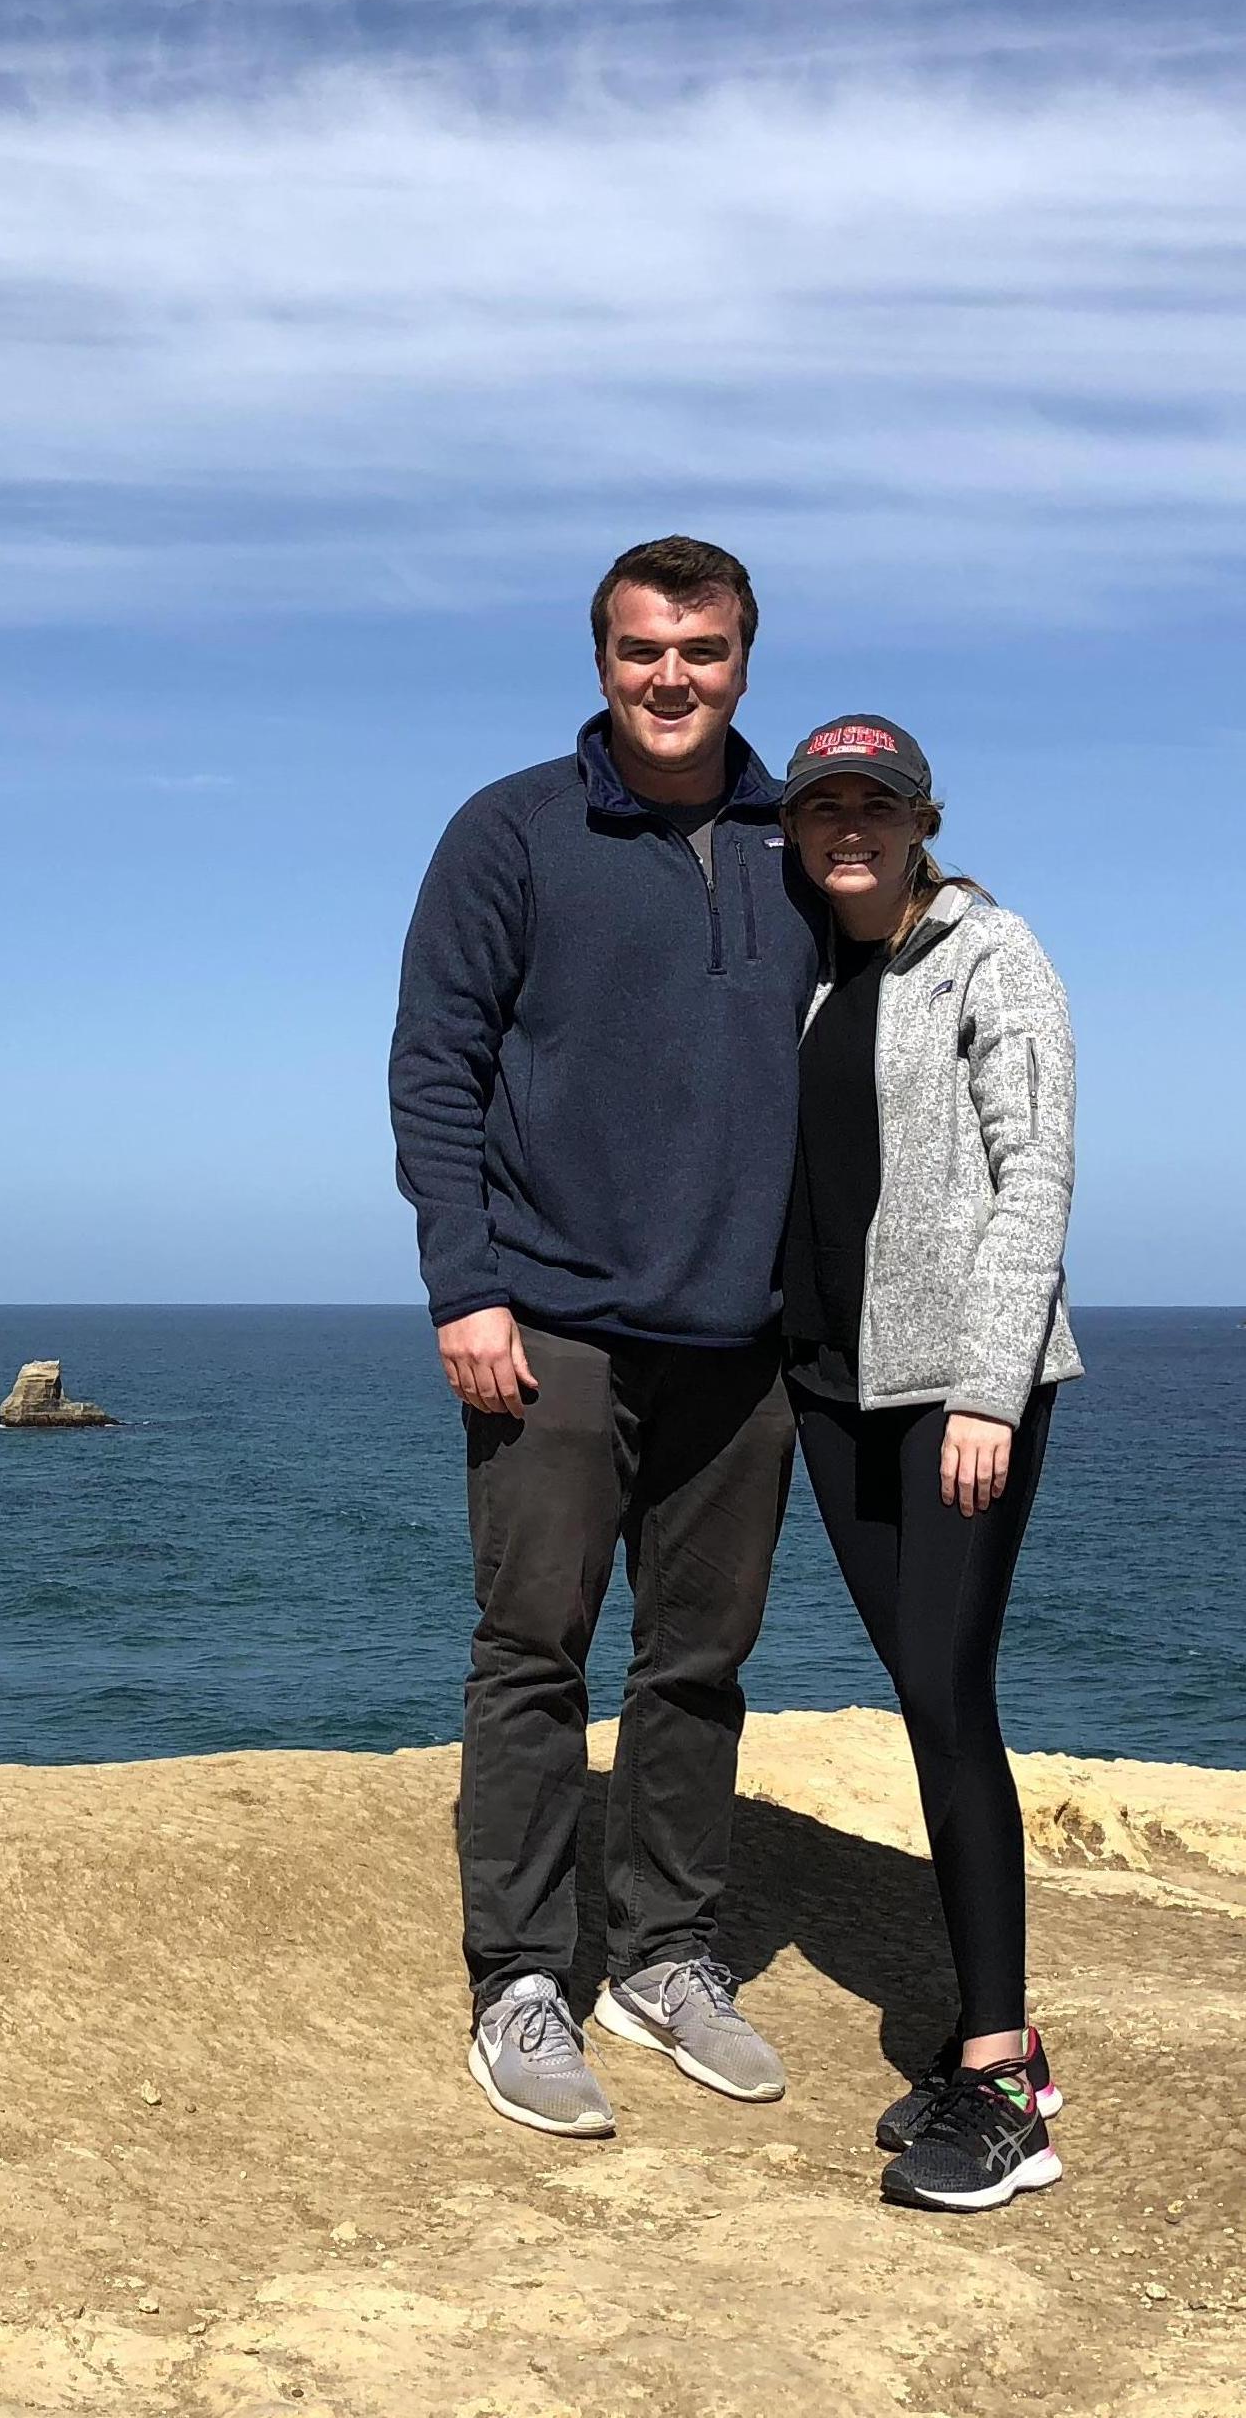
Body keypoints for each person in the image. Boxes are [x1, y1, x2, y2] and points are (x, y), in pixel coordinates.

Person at [390, 534, 820, 2138]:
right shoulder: (510, 832)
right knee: (532, 1657)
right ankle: (520, 1976)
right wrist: (466, 1284)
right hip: (551, 1322)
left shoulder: (804, 846)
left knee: (699, 1665)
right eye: (642, 648)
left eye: (701, 650)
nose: (671, 677)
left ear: (743, 662)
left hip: (743, 1338)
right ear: (600, 661)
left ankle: (662, 1955)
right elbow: (435, 1066)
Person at [777, 715, 1080, 2213]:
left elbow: (1038, 1176)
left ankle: (1005, 2082)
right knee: (921, 1695)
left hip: (957, 1396)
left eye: (873, 810)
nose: (849, 832)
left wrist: (990, 1389)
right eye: (823, 809)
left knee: (952, 1697)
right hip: (834, 1394)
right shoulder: (816, 975)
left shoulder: (989, 953)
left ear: (919, 820)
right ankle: (993, 2027)